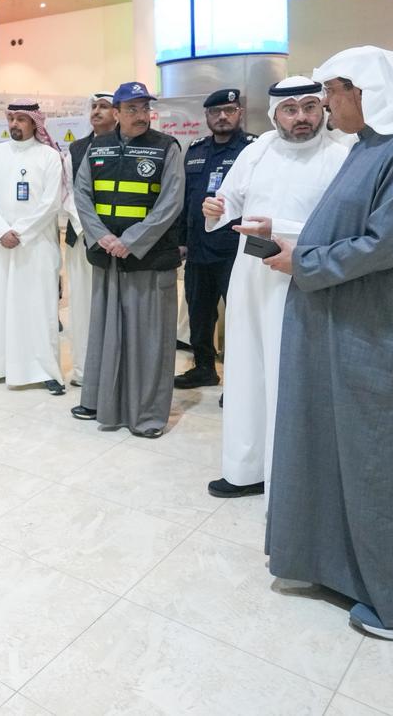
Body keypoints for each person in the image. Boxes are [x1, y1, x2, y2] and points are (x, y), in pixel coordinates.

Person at [255, 46, 393, 641]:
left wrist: (306, 262)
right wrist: (298, 248)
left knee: (387, 459)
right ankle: (340, 568)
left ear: (366, 91)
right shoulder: (372, 146)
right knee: (343, 451)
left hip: (386, 331)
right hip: (350, 323)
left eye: (332, 92)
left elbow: (391, 243)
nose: (325, 105)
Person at [201, 78, 349, 498]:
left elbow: (344, 227)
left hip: (304, 278)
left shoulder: (341, 155)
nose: (301, 117)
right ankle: (245, 468)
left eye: (309, 107)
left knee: (290, 377)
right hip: (251, 276)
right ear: (274, 114)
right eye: (290, 109)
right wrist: (215, 208)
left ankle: (291, 479)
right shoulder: (257, 150)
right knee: (246, 370)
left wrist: (280, 228)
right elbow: (228, 201)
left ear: (322, 110)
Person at [71, 81, 185, 438]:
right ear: (117, 113)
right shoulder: (97, 147)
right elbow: (82, 194)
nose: (141, 115)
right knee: (105, 334)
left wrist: (132, 241)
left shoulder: (166, 147)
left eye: (145, 108)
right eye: (132, 109)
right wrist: (101, 236)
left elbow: (172, 201)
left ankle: (147, 416)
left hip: (148, 259)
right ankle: (101, 403)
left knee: (149, 341)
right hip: (108, 257)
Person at [0, 102, 68, 395]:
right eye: (12, 119)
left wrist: (20, 232)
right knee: (3, 306)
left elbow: (51, 203)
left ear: (34, 123)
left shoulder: (49, 156)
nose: (14, 124)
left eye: (21, 119)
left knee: (39, 308)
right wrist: (2, 231)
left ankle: (46, 371)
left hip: (38, 246)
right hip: (2, 246)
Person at [174, 89, 253, 389]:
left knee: (239, 316)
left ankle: (239, 382)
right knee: (199, 314)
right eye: (215, 111)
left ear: (239, 112)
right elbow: (187, 199)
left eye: (229, 110)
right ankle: (204, 368)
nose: (222, 116)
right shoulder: (195, 149)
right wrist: (182, 241)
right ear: (206, 116)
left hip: (234, 250)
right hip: (198, 250)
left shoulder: (252, 149)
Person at [65, 93, 118, 387]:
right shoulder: (76, 149)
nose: (96, 111)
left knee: (115, 307)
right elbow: (67, 193)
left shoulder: (128, 145)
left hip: (117, 242)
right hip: (81, 237)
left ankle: (114, 371)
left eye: (104, 107)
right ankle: (85, 371)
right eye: (94, 107)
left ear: (117, 113)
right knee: (82, 307)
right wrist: (91, 230)